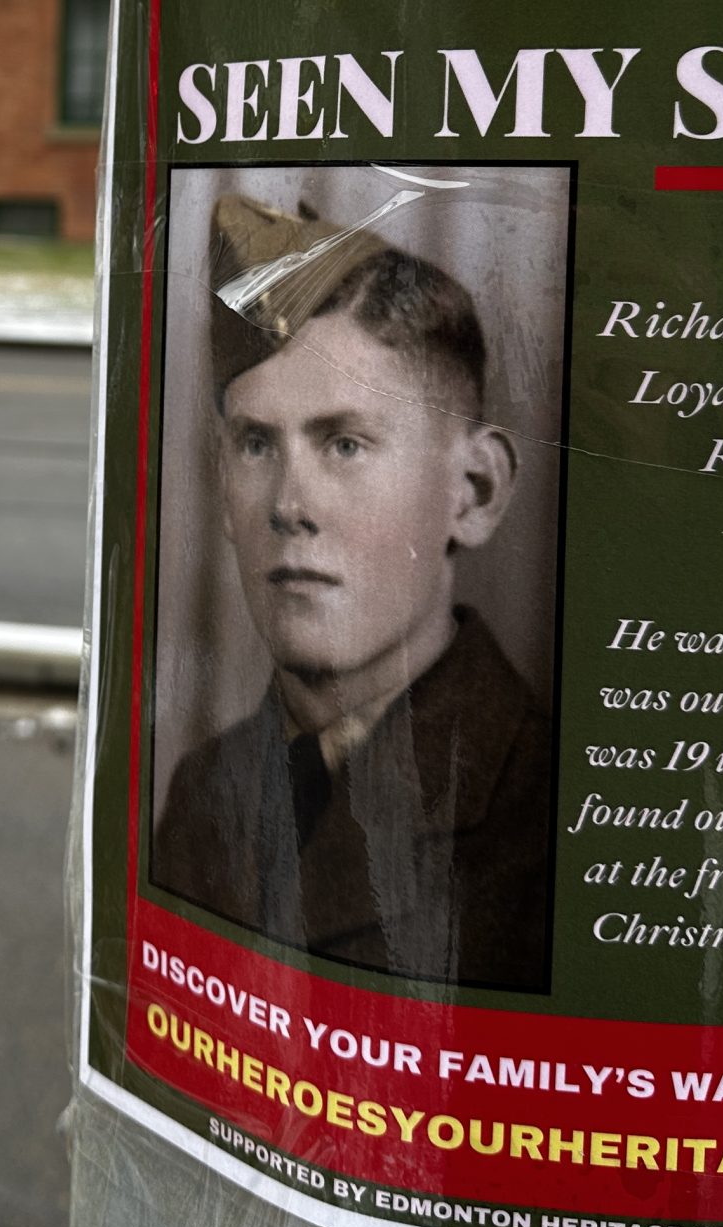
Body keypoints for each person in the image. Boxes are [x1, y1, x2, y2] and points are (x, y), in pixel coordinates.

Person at [152, 191, 555, 990]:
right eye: (256, 444)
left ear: (474, 490)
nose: (289, 506)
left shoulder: (551, 809)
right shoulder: (207, 787)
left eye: (344, 443)